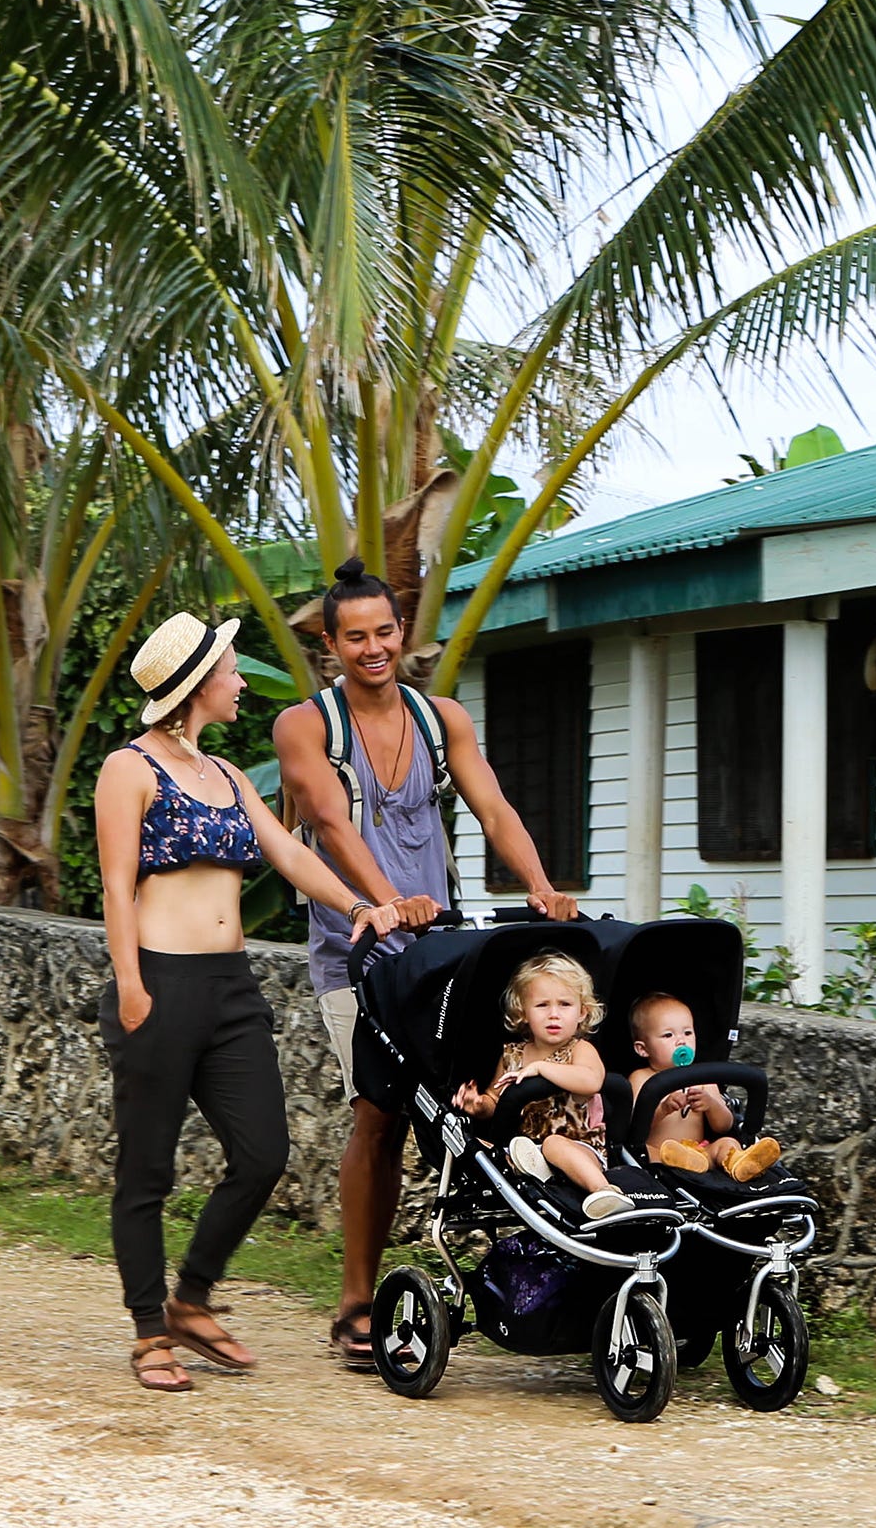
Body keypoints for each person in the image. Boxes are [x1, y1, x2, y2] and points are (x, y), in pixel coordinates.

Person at [274, 555, 579, 1366]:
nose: (372, 648)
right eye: (354, 638)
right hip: (355, 949)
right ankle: (353, 1306)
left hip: (443, 949)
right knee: (377, 1114)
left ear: (401, 632)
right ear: (330, 645)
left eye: (384, 632)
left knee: (479, 1110)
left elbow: (492, 804)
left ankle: (525, 1277)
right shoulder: (306, 725)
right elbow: (332, 824)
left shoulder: (441, 717)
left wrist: (543, 886)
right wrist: (380, 904)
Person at [95, 611, 404, 1393]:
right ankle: (147, 1333)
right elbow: (116, 887)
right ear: (198, 683)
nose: (241, 682)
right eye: (232, 670)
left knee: (264, 1152)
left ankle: (191, 1298)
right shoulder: (128, 770)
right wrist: (131, 985)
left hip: (232, 991)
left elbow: (292, 853)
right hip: (159, 984)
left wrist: (362, 904)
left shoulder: (229, 777)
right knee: (147, 1171)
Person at [453, 953, 633, 1218]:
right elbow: (496, 1100)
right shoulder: (512, 1055)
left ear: (582, 1011)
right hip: (525, 1150)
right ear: (523, 1012)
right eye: (542, 1005)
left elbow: (591, 1081)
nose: (553, 1015)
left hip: (579, 1146)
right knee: (476, 1148)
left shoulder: (580, 1050)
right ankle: (537, 1171)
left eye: (564, 1004)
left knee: (553, 1145)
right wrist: (478, 1104)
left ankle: (606, 1192)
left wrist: (541, 1069)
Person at [627, 993, 781, 1182]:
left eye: (688, 1033)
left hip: (701, 1150)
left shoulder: (702, 1076)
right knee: (647, 1153)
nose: (681, 1041)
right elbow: (634, 1128)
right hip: (661, 1154)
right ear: (643, 1049)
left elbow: (724, 1125)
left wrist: (711, 1105)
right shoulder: (641, 1078)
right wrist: (664, 1108)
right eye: (668, 1035)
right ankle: (683, 1161)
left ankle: (742, 1163)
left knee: (728, 1142)